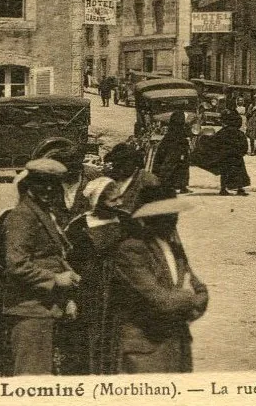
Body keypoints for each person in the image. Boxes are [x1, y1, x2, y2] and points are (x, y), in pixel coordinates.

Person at [0, 158, 81, 376]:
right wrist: (55, 279)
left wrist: (67, 285)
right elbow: (16, 264)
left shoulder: (41, 212)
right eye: (40, 183)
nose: (47, 190)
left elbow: (53, 254)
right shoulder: (22, 216)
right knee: (31, 376)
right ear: (28, 185)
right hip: (29, 310)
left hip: (43, 306)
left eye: (52, 185)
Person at [54, 144, 143, 375]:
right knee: (85, 344)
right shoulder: (78, 227)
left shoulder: (126, 223)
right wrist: (69, 300)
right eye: (112, 199)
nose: (119, 203)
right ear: (98, 201)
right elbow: (68, 265)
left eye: (118, 197)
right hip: (89, 295)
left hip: (118, 296)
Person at [111, 190, 208, 373]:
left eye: (174, 214)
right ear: (150, 217)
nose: (174, 220)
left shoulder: (174, 246)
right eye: (167, 215)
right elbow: (161, 300)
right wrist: (191, 299)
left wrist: (194, 297)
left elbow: (199, 287)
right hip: (146, 348)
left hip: (177, 344)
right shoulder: (132, 249)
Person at [152, 110, 191, 195]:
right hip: (177, 147)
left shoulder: (172, 129)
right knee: (177, 165)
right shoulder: (180, 128)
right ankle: (178, 185)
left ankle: (176, 185)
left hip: (173, 146)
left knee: (174, 165)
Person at [213, 110, 250, 196]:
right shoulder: (239, 133)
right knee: (240, 172)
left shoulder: (222, 132)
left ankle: (223, 189)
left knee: (225, 172)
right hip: (237, 156)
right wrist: (242, 153)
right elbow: (244, 145)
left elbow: (216, 143)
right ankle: (240, 189)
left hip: (225, 156)